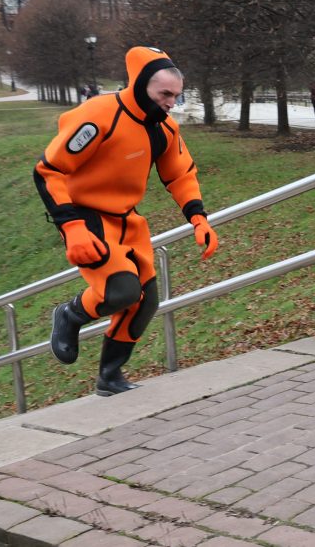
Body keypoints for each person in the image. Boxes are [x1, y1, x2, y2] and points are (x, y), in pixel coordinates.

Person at [34, 46, 219, 396]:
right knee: (121, 291)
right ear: (140, 85)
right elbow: (48, 170)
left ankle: (110, 376)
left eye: (176, 96)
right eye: (165, 94)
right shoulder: (98, 116)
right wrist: (71, 227)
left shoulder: (163, 128)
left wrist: (199, 219)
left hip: (127, 220)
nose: (171, 103)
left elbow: (180, 174)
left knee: (145, 301)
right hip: (87, 217)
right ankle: (69, 315)